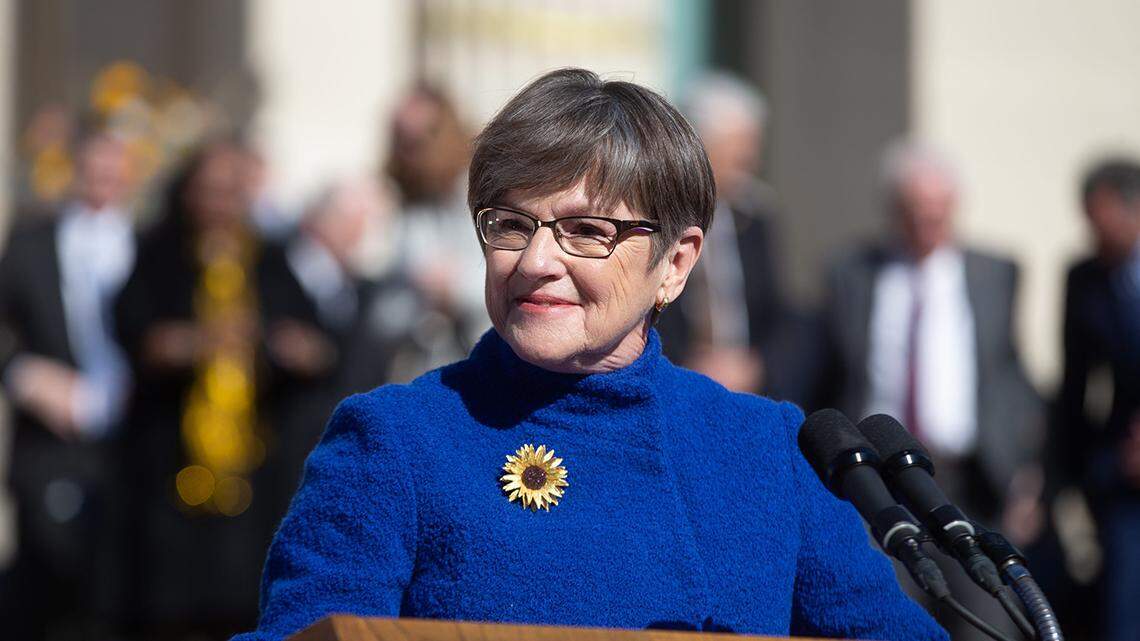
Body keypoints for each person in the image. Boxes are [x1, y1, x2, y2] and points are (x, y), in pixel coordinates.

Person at [233, 69, 945, 641]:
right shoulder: (400, 440)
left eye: (584, 230)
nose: (536, 260)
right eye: (510, 224)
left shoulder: (763, 448)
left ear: (675, 262)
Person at [817, 140, 1043, 640]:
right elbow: (827, 376)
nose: (928, 227)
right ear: (893, 211)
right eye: (915, 214)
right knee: (891, 620)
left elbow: (1010, 375)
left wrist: (1027, 473)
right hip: (881, 484)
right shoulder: (852, 274)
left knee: (987, 621)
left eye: (939, 215)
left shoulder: (994, 273)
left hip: (969, 481)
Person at [114, 140, 314, 640]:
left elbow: (313, 341)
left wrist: (267, 342)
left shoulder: (268, 256)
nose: (222, 205)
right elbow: (137, 332)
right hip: (170, 467)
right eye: (211, 192)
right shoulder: (159, 252)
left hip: (253, 470)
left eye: (233, 192)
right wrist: (202, 341)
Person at [0, 129, 135, 640]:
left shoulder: (148, 244)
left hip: (126, 447)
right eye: (94, 165)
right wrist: (22, 374)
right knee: (46, 585)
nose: (104, 177)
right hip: (51, 447)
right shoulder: (34, 241)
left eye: (115, 166)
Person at [656, 72, 784, 396]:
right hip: (673, 383)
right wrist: (690, 364)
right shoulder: (659, 217)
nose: (750, 163)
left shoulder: (755, 216)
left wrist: (756, 364)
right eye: (738, 153)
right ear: (699, 148)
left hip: (746, 391)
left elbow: (776, 311)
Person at [1054, 158, 1140, 641]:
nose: (1095, 234)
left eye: (1103, 221)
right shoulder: (1086, 278)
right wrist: (1075, 476)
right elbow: (1076, 386)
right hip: (1124, 480)